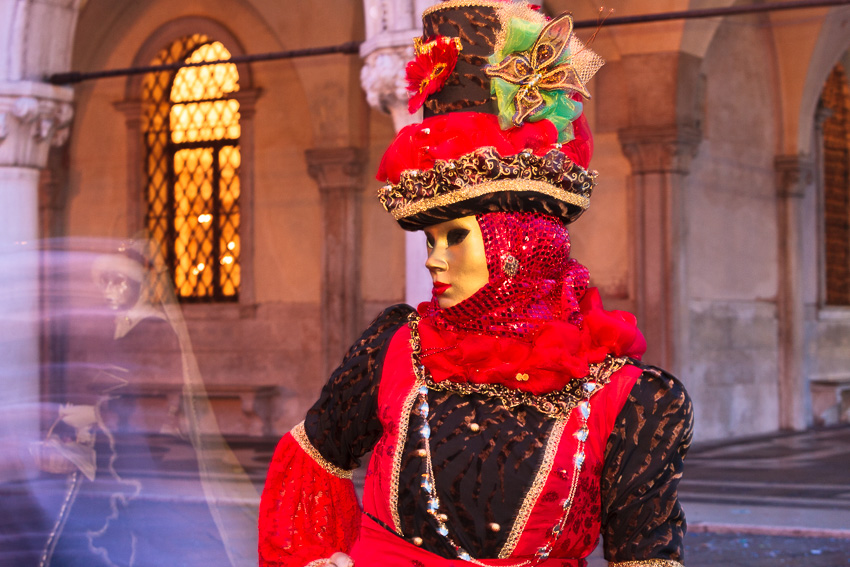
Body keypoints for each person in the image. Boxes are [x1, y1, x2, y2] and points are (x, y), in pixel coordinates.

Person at [259, 2, 693, 566]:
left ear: (519, 244)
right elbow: (313, 466)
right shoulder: (393, 351)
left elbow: (644, 557)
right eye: (429, 241)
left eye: (455, 238)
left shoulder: (631, 401)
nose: (433, 263)